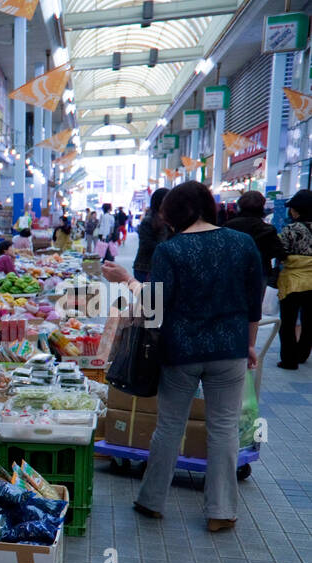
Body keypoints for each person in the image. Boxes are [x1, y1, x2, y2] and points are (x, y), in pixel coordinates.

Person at [103, 181, 263, 533]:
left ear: (174, 214)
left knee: (169, 426)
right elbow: (254, 302)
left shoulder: (171, 250)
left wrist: (126, 279)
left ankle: (152, 501)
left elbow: (152, 304)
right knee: (224, 429)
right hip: (230, 350)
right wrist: (249, 344)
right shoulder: (243, 244)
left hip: (181, 353)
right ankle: (221, 511)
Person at [275, 188, 312, 368]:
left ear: (296, 210)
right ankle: (303, 354)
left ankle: (289, 360)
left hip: (293, 281)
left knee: (288, 322)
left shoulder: (290, 229)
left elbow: (281, 253)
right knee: (309, 321)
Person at [225, 190, 282, 291]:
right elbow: (277, 251)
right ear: (262, 207)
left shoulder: (229, 226)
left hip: (233, 271)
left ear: (240, 206)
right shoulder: (267, 229)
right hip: (260, 271)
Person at [132, 187, 169, 283]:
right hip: (145, 268)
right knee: (150, 298)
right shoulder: (148, 220)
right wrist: (168, 249)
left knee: (158, 298)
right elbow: (147, 244)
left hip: (161, 268)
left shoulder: (170, 220)